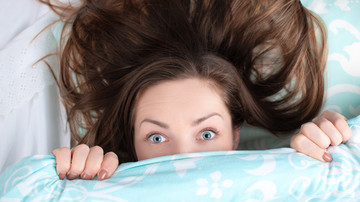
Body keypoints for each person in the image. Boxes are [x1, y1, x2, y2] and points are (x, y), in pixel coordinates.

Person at [42, 0, 351, 180]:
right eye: (157, 137)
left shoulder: (290, 173)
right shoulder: (98, 189)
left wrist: (336, 150)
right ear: (133, 145)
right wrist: (72, 186)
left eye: (206, 134)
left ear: (235, 134)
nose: (183, 159)